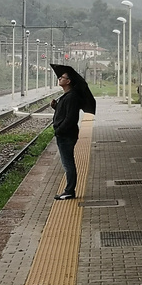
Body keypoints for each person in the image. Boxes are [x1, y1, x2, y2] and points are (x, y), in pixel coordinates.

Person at [50, 66, 95, 200]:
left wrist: (59, 130)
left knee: (68, 163)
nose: (59, 79)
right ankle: (69, 190)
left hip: (66, 135)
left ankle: (69, 191)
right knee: (67, 162)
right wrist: (56, 107)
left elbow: (70, 118)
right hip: (66, 134)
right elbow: (65, 113)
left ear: (68, 81)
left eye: (62, 77)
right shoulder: (68, 96)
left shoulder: (71, 97)